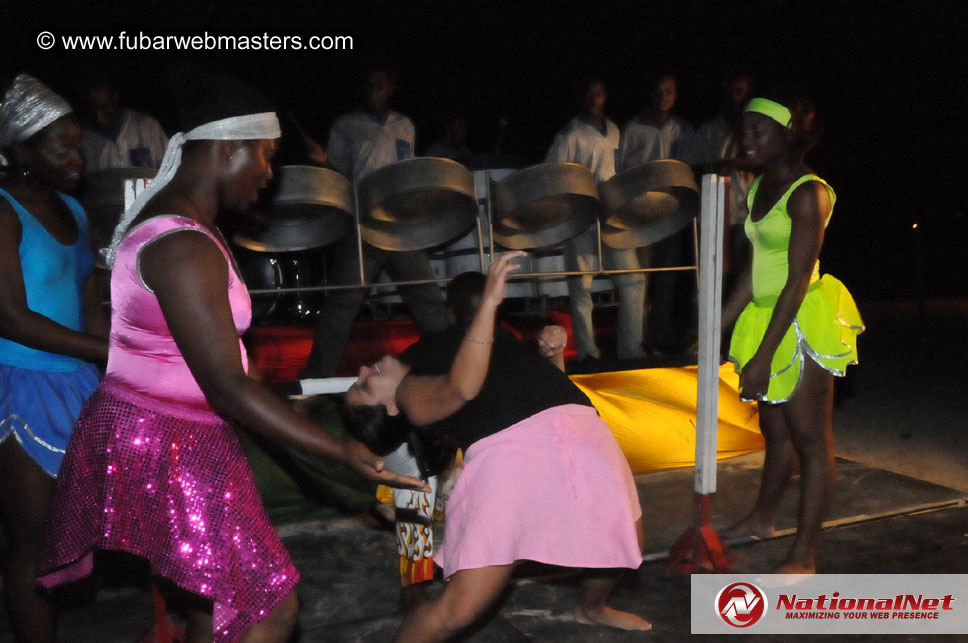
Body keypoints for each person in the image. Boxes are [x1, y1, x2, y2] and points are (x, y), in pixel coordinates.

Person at [36, 69, 428, 642]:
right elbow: (225, 386)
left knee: (212, 608)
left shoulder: (191, 227)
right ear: (227, 148)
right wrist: (339, 450)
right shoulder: (183, 244)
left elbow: (212, 361)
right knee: (268, 609)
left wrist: (266, 392)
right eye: (265, 158)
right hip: (170, 444)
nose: (269, 176)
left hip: (180, 433)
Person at [344, 253, 651, 641]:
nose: (361, 372)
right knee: (458, 609)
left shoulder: (435, 349)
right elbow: (461, 388)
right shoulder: (411, 396)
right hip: (513, 455)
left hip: (581, 430)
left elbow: (535, 390)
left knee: (623, 542)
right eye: (363, 387)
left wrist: (552, 355)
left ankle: (591, 609)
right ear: (389, 407)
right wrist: (489, 302)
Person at [721, 91, 864, 574]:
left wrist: (763, 356)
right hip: (767, 312)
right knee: (773, 431)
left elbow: (798, 279)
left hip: (801, 320)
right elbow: (756, 269)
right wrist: (716, 323)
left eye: (759, 131)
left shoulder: (809, 192)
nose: (747, 139)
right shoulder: (759, 184)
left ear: (788, 137)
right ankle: (763, 518)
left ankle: (805, 556)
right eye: (743, 130)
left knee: (811, 440)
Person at [0, 73, 108, 643]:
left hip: (80, 381)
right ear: (21, 150)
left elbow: (87, 303)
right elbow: (11, 317)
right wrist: (111, 350)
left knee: (86, 526)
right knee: (33, 539)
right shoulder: (1, 209)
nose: (76, 155)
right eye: (59, 146)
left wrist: (120, 352)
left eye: (78, 142)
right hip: (19, 381)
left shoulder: (74, 210)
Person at [301, 67, 449, 378]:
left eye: (380, 84)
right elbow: (338, 175)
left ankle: (447, 371)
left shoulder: (404, 125)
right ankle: (315, 382)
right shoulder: (346, 125)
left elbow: (409, 172)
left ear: (391, 87)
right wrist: (322, 161)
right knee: (342, 306)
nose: (374, 90)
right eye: (369, 84)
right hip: (362, 225)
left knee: (428, 300)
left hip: (399, 225)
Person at [546, 78, 647, 364]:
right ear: (582, 97)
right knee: (582, 289)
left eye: (599, 93)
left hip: (613, 215)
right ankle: (589, 353)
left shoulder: (615, 130)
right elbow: (551, 172)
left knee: (633, 281)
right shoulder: (570, 134)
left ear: (606, 97)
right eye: (589, 94)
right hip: (582, 217)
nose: (594, 98)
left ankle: (632, 350)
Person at [618, 73, 698, 354]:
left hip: (671, 214)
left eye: (670, 91)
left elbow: (687, 171)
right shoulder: (632, 129)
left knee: (666, 277)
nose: (664, 96)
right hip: (640, 214)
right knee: (640, 278)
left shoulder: (682, 129)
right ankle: (635, 339)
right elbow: (621, 168)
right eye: (660, 90)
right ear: (651, 93)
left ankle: (658, 337)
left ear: (676, 96)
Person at [695, 73, 755, 315]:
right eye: (733, 90)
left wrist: (738, 164)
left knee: (744, 276)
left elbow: (762, 163)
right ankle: (708, 330)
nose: (736, 97)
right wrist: (717, 166)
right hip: (716, 213)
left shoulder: (753, 129)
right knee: (715, 276)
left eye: (741, 91)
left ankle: (736, 331)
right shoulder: (710, 129)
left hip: (746, 213)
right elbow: (694, 166)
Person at [81, 75, 169, 171]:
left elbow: (171, 169)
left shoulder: (148, 127)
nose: (99, 116)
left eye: (104, 107)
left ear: (116, 96)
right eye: (94, 109)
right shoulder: (84, 139)